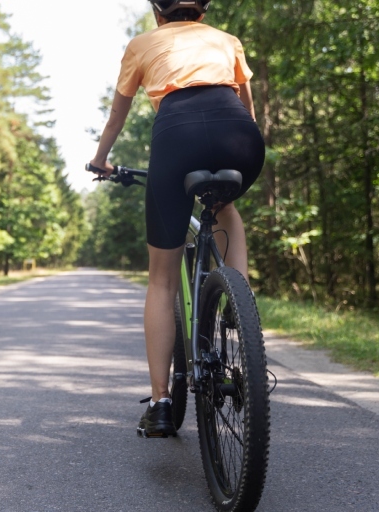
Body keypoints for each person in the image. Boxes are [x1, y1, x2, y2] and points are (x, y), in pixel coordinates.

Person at [89, 0, 265, 437]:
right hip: (239, 137)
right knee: (225, 208)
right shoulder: (226, 40)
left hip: (176, 135)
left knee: (162, 279)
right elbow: (249, 109)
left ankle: (161, 403)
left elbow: (117, 116)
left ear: (157, 12)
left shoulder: (141, 44)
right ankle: (237, 305)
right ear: (202, 13)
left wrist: (100, 160)